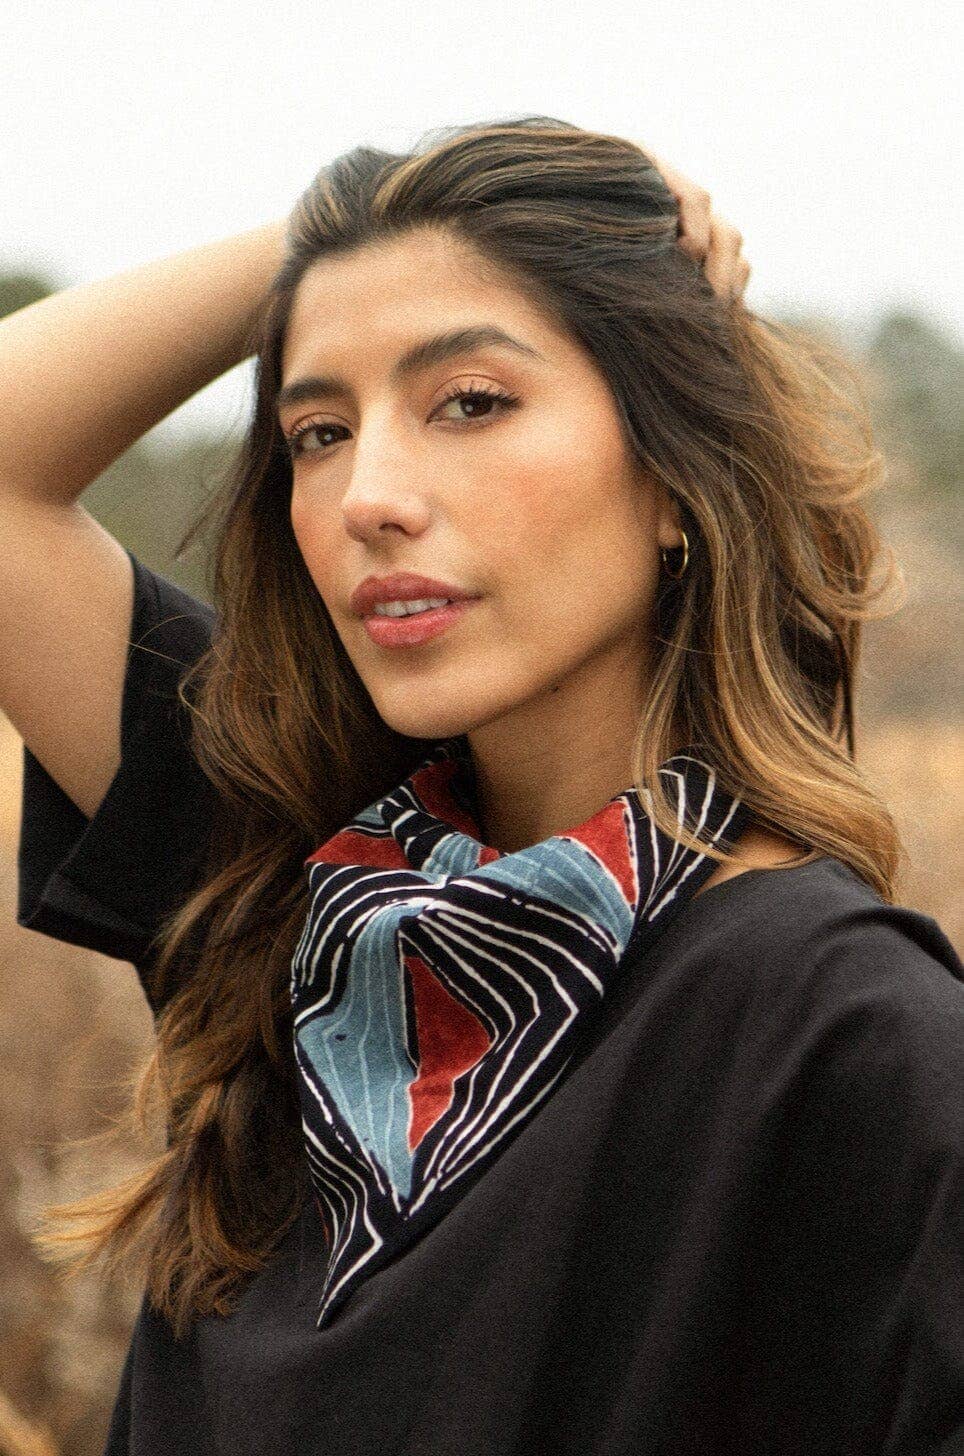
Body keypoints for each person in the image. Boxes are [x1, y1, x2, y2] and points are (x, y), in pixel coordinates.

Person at [1, 117, 961, 1455]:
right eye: (319, 430)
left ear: (676, 473)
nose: (368, 495)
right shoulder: (304, 890)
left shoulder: (847, 1036)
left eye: (470, 402)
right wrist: (338, 235)